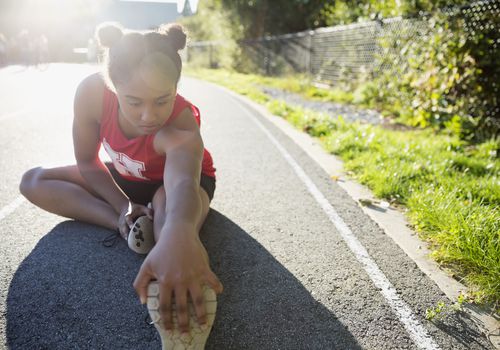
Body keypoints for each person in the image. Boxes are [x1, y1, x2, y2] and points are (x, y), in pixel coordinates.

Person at [19, 22, 223, 348]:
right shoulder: (91, 95)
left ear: (175, 87)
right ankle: (128, 226)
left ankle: (180, 291)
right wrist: (122, 206)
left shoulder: (181, 123)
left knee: (168, 210)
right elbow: (88, 162)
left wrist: (181, 232)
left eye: (162, 100)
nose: (148, 116)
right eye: (134, 102)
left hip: (175, 182)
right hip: (125, 177)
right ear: (113, 88)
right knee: (33, 181)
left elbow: (183, 181)